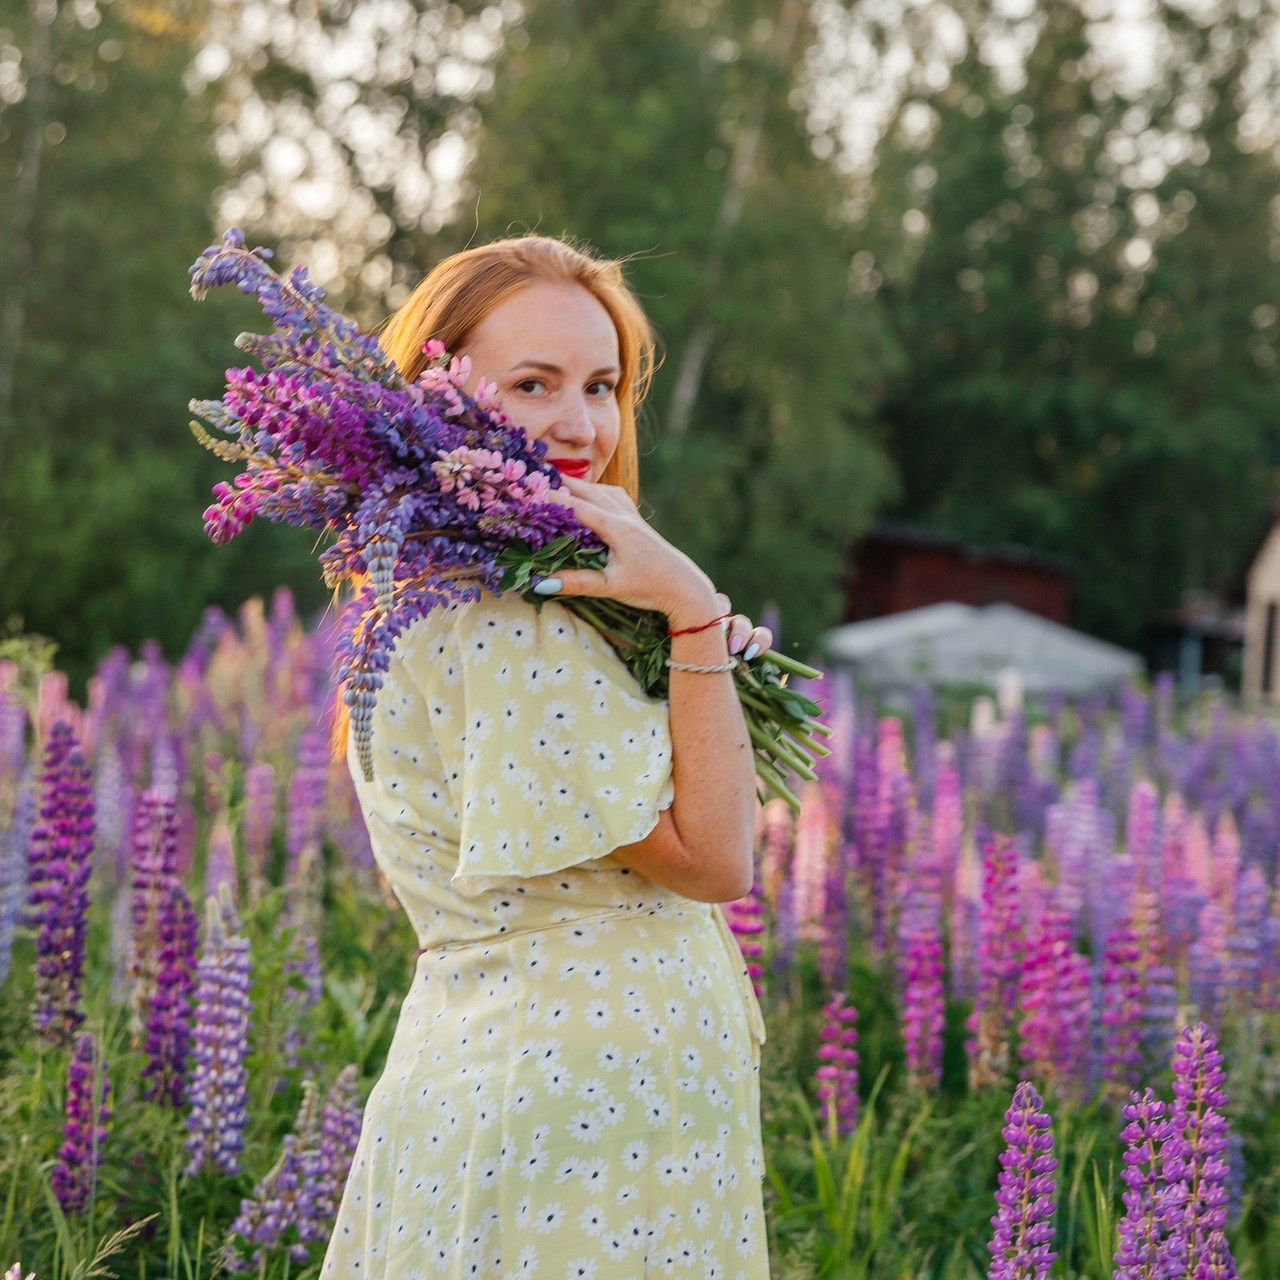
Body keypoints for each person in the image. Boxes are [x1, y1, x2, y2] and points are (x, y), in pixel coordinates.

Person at [319, 235, 772, 1279]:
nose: (580, 423)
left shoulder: (460, 589)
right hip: (578, 1126)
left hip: (565, 1103)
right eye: (533, 383)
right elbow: (714, 859)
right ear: (434, 393)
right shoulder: (504, 621)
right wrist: (694, 615)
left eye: (602, 384)